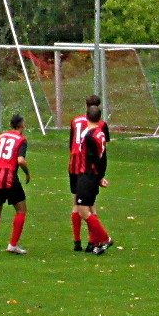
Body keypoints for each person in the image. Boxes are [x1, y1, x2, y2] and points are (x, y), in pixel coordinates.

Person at [0, 114, 31, 254]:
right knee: (21, 210)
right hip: (9, 178)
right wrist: (27, 173)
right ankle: (13, 245)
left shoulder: (1, 137)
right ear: (22, 125)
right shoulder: (21, 140)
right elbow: (20, 160)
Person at [74, 105, 114, 254]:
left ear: (86, 117)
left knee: (83, 210)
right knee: (88, 208)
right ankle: (97, 242)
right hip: (93, 175)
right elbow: (103, 157)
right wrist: (101, 176)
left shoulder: (89, 135)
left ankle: (105, 238)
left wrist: (96, 176)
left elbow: (93, 158)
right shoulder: (100, 133)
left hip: (87, 175)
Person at [68, 95, 104, 251]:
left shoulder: (75, 121)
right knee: (90, 205)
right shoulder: (99, 124)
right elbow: (101, 149)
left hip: (74, 163)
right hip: (88, 166)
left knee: (76, 203)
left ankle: (77, 242)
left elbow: (71, 144)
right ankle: (92, 241)